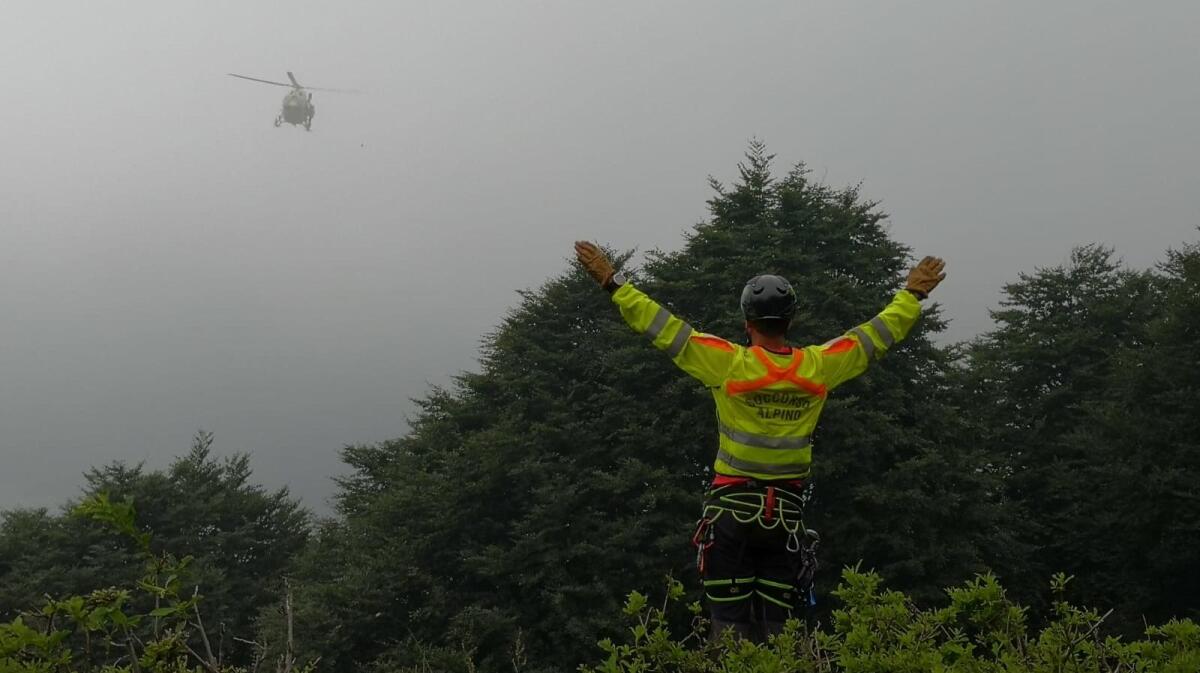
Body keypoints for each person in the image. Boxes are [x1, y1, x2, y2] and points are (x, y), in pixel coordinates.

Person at [573, 241, 946, 641]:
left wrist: (615, 283)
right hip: (784, 520)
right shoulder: (818, 367)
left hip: (731, 514)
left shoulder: (728, 363)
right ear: (790, 320)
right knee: (777, 636)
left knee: (728, 633)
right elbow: (875, 336)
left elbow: (662, 326)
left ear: (746, 321)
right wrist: (912, 295)